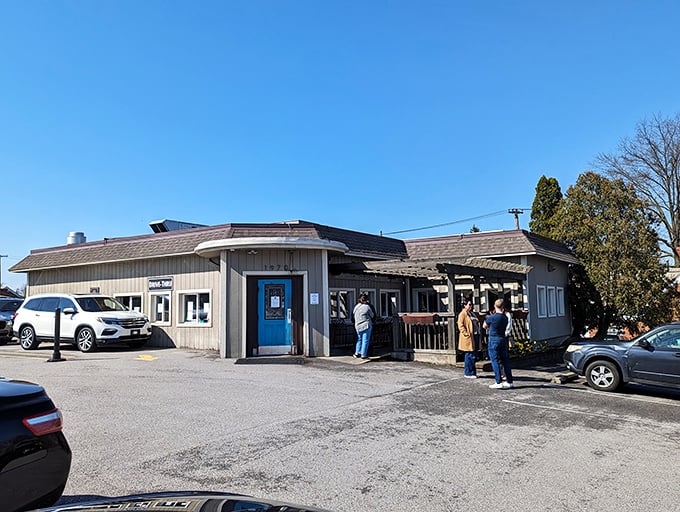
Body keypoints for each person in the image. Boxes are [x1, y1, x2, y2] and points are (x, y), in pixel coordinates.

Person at [483, 298, 514, 389]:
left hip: (493, 339)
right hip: (503, 339)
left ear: (494, 306)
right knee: (505, 361)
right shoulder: (505, 317)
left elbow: (484, 326)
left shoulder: (491, 317)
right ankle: (509, 381)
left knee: (495, 360)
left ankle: (498, 381)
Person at [457, 299, 480, 378]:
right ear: (465, 305)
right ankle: (468, 372)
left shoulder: (471, 313)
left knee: (474, 354)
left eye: (471, 304)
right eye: (469, 304)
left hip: (475, 335)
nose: (471, 306)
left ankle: (472, 372)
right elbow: (460, 325)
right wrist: (465, 333)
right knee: (469, 354)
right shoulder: (462, 314)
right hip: (469, 337)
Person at [353, 292, 375, 360]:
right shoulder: (367, 307)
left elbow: (353, 316)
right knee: (365, 340)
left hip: (357, 325)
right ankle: (363, 354)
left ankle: (357, 353)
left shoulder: (356, 307)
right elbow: (372, 315)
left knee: (359, 339)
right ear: (366, 300)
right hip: (366, 325)